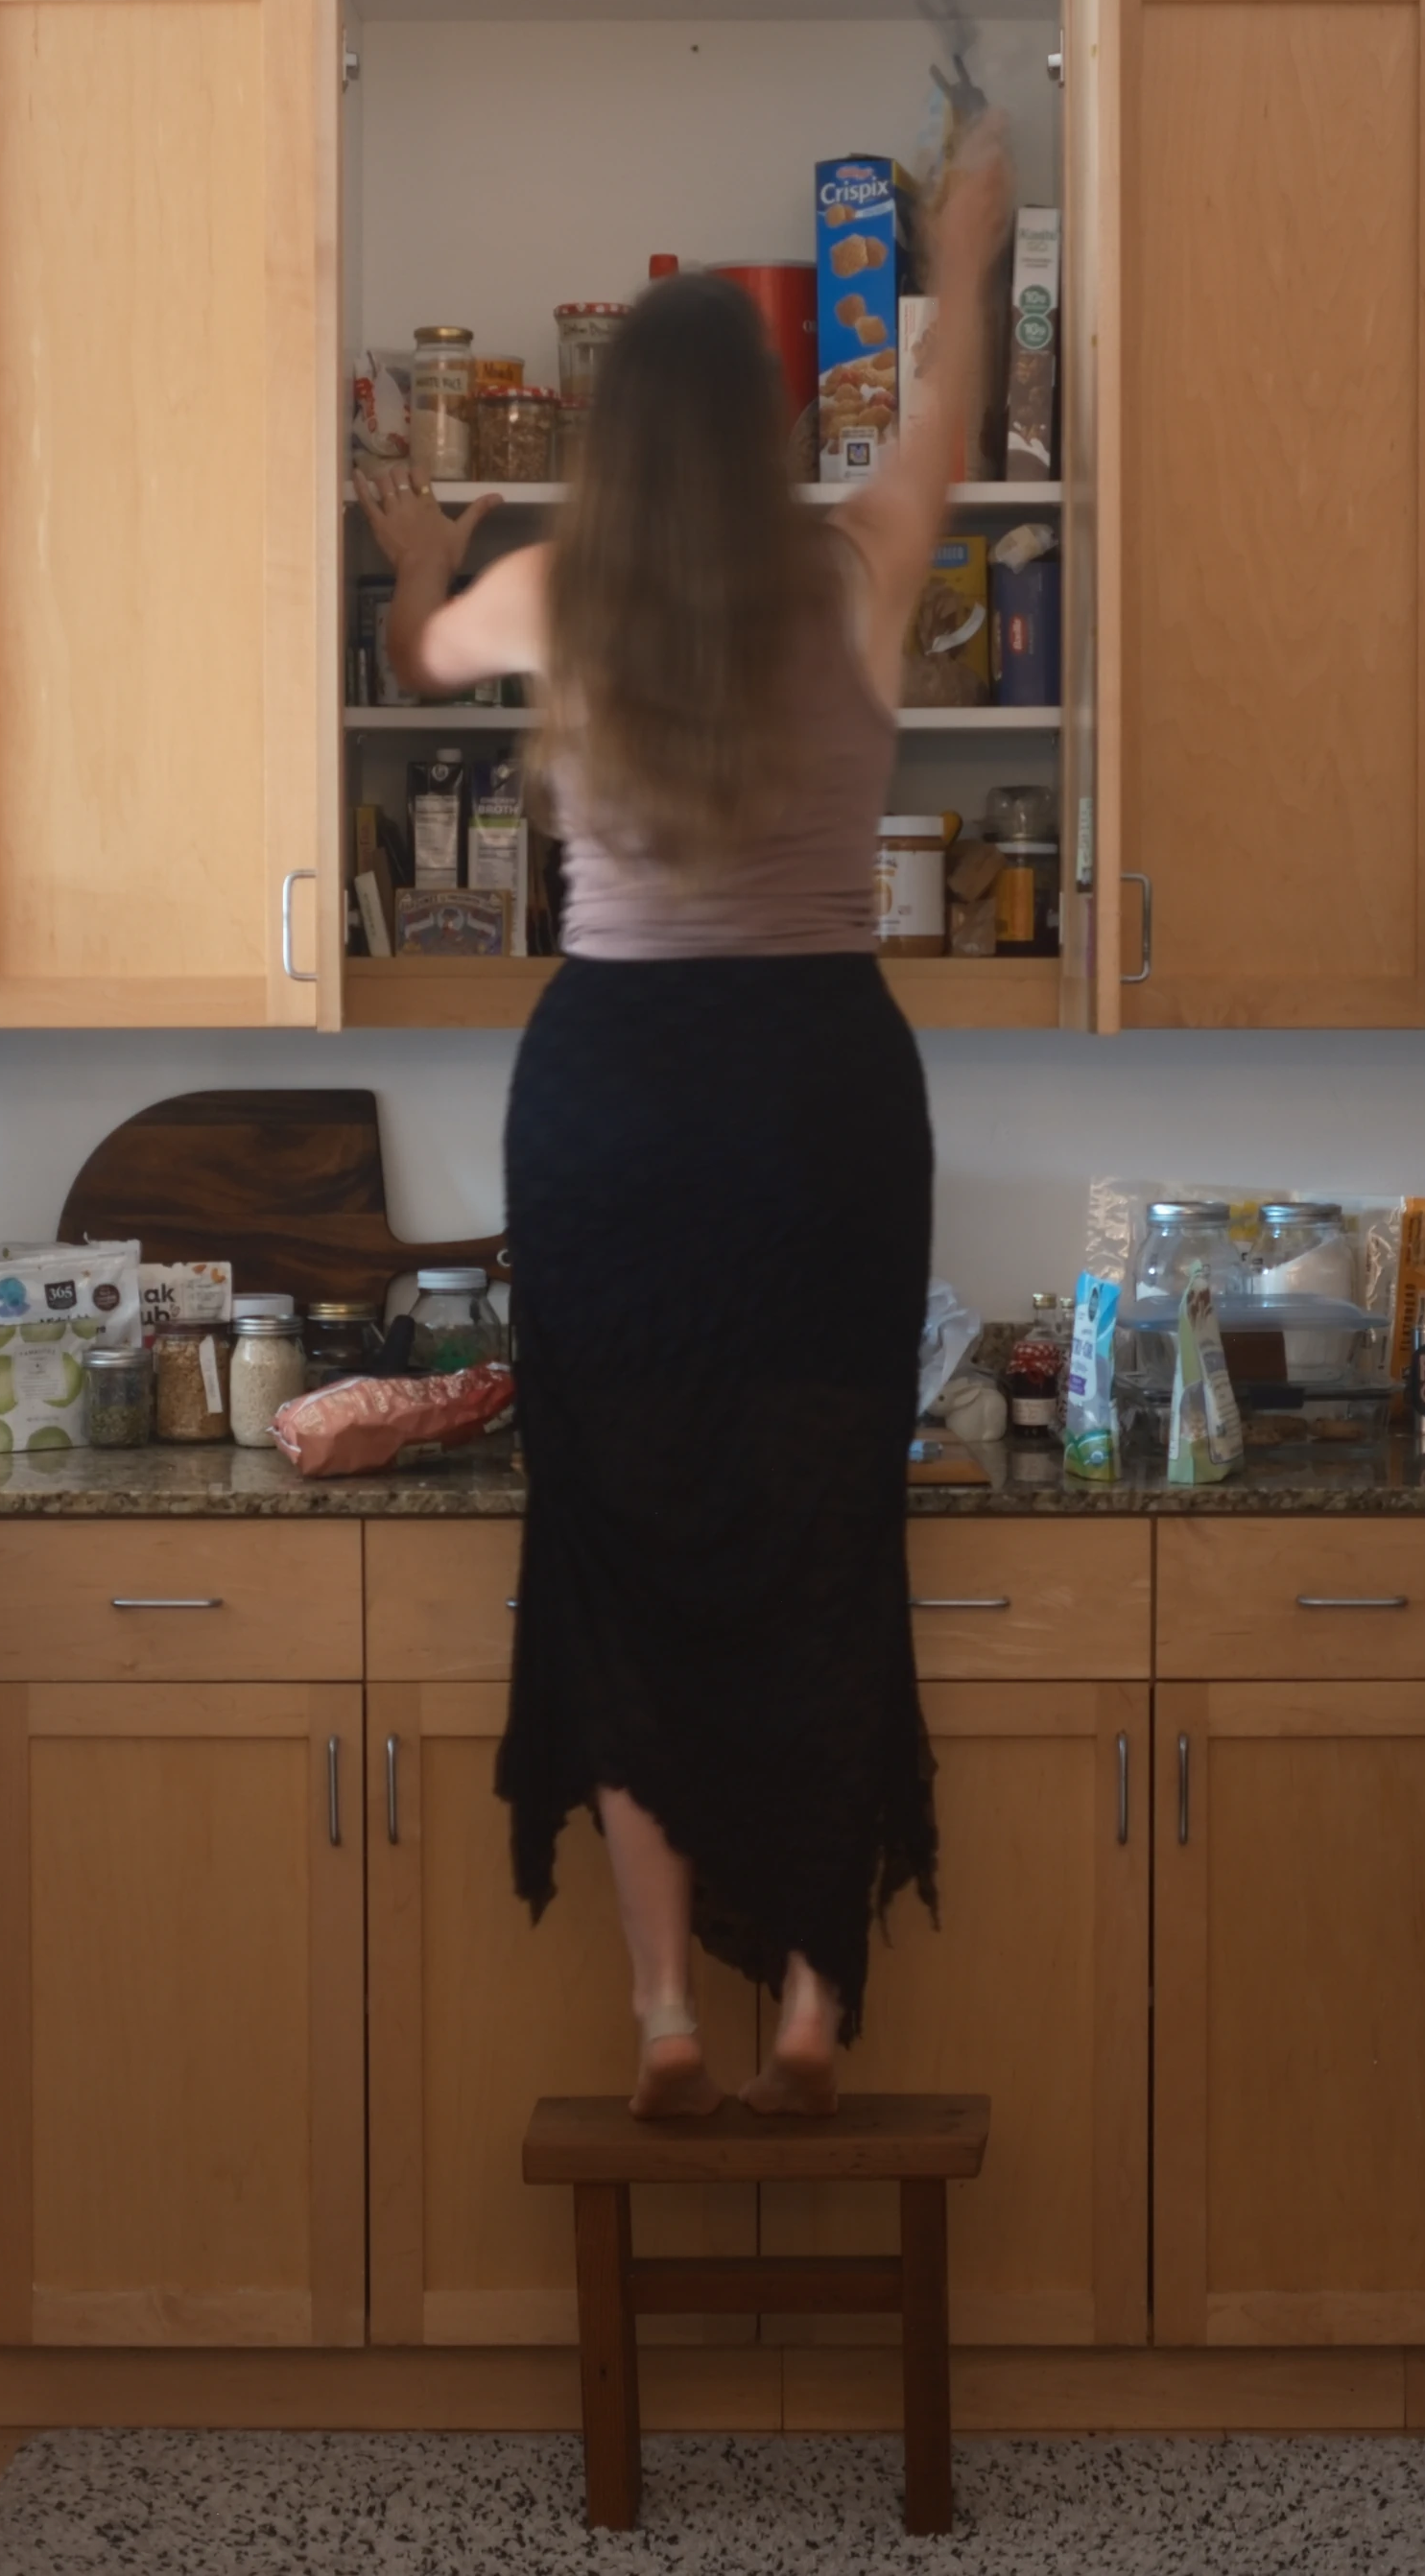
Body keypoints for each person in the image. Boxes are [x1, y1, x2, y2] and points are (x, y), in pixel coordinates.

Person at [356, 122, 1013, 2118]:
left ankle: (660, 2009)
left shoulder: (552, 587)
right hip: (815, 1089)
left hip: (617, 1093)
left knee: (619, 1540)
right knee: (818, 1537)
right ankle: (805, 1994)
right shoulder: (852, 560)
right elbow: (947, 420)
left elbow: (416, 656)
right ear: (755, 437)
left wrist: (410, 566)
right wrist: (962, 254)